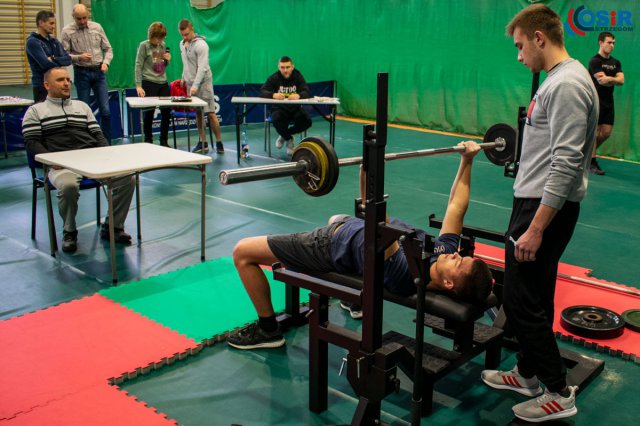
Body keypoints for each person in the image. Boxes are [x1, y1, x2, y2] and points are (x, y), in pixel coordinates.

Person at [226, 141, 493, 350]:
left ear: (448, 284)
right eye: (462, 256)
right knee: (335, 217)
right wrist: (467, 160)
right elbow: (456, 206)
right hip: (351, 233)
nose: (457, 254)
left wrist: (369, 167)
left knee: (242, 252)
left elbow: (375, 216)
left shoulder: (406, 273)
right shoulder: (443, 255)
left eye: (459, 261)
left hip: (328, 246)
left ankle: (267, 329)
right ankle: (352, 302)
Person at [480, 5, 598, 423]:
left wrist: (535, 228)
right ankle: (528, 373)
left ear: (539, 38)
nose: (518, 56)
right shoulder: (562, 80)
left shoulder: (565, 84)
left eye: (519, 46)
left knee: (519, 299)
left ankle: (557, 390)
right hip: (536, 200)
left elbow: (566, 162)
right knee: (535, 294)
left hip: (541, 208)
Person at [22, 68, 134, 254]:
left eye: (67, 79)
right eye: (60, 80)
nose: (66, 83)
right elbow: (32, 142)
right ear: (47, 85)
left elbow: (97, 134)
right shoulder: (35, 111)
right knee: (68, 186)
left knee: (127, 178)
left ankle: (113, 226)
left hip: (92, 161)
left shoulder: (82, 106)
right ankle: (69, 231)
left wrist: (107, 154)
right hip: (61, 165)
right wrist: (51, 160)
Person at [60, 4, 113, 142]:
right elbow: (63, 55)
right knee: (84, 111)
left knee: (105, 111)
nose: (82, 21)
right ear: (73, 17)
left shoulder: (97, 27)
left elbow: (108, 48)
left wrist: (106, 63)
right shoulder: (67, 31)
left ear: (88, 16)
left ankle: (106, 141)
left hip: (99, 73)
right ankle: (87, 142)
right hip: (81, 73)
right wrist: (78, 57)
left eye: (84, 18)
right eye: (79, 19)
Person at [178, 19, 224, 155]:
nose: (184, 37)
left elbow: (202, 67)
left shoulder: (202, 45)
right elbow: (186, 63)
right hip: (191, 83)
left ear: (192, 30)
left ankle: (219, 142)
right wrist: (183, 78)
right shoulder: (181, 44)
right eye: (182, 35)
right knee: (198, 113)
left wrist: (196, 85)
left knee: (210, 113)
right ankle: (203, 142)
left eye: (186, 34)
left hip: (203, 83)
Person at [588, 32, 624, 175]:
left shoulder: (616, 62)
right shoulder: (594, 61)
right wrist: (613, 78)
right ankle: (591, 161)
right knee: (594, 132)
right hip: (595, 100)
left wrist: (610, 80)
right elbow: (601, 80)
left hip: (609, 102)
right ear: (600, 43)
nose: (612, 46)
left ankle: (588, 153)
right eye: (609, 42)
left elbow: (621, 81)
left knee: (606, 133)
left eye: (614, 43)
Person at [260, 56, 312, 156]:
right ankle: (289, 139)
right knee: (276, 119)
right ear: (278, 67)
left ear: (292, 67)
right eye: (282, 67)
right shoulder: (274, 77)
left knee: (307, 121)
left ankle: (284, 135)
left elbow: (307, 92)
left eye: (287, 67)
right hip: (279, 109)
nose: (285, 70)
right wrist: (273, 95)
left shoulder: (298, 76)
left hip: (295, 109)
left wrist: (298, 95)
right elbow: (262, 92)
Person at [134, 22, 172, 147]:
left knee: (166, 113)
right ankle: (148, 142)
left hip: (162, 82)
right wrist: (138, 85)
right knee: (149, 114)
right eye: (158, 38)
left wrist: (167, 60)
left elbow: (159, 68)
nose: (160, 41)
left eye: (162, 38)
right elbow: (138, 65)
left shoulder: (163, 45)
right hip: (148, 82)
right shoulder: (143, 46)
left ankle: (164, 140)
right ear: (151, 36)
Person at [25, 10, 71, 103]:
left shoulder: (54, 41)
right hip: (41, 86)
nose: (53, 26)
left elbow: (68, 60)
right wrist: (58, 61)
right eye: (51, 23)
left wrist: (53, 58)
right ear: (41, 23)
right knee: (44, 115)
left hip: (59, 85)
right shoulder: (32, 42)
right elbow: (45, 64)